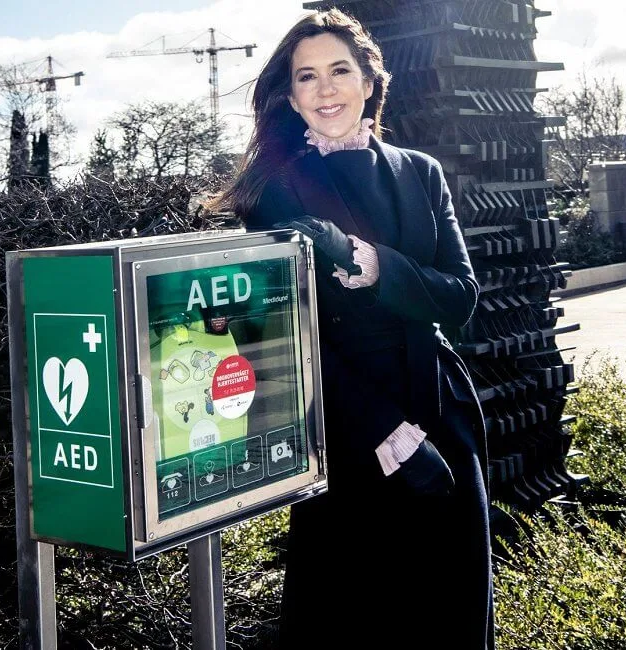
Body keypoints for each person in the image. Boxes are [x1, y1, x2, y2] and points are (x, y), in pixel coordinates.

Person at [213, 9, 494, 649]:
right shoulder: (274, 191)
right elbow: (269, 337)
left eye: (340, 70)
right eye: (306, 77)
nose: (326, 89)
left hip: (441, 407)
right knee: (358, 614)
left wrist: (371, 263)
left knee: (452, 609)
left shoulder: (420, 171)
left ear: (370, 81)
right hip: (347, 428)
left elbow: (460, 300)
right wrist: (382, 431)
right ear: (290, 96)